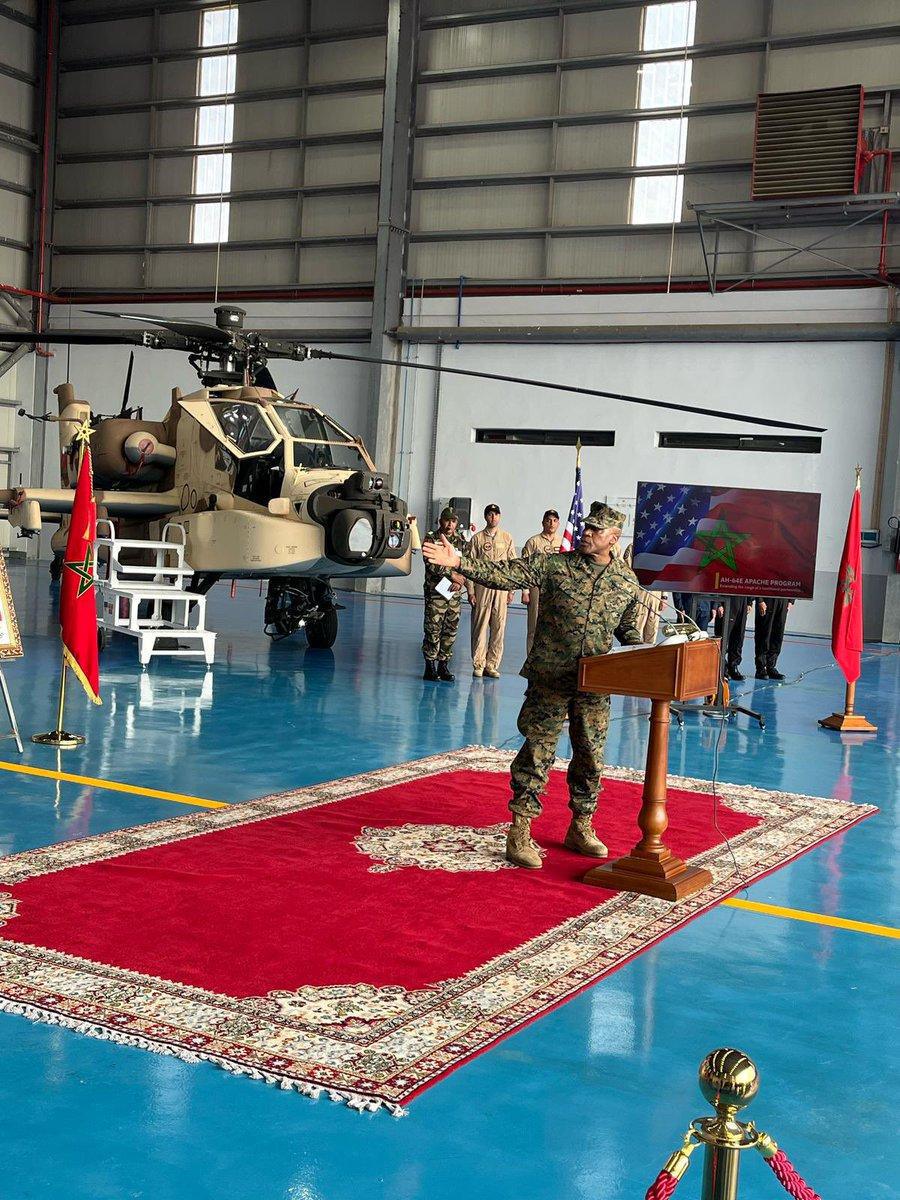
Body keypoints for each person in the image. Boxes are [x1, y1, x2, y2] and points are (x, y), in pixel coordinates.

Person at [423, 501, 643, 869]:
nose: (585, 533)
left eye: (595, 530)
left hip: (594, 685)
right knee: (537, 753)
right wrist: (459, 562)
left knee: (590, 757)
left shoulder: (626, 582)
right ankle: (520, 831)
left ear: (613, 539)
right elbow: (505, 575)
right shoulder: (556, 565)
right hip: (550, 678)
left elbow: (626, 630)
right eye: (585, 527)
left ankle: (581, 826)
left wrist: (654, 648)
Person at [467, 503, 518, 678]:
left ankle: (492, 664)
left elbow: (513, 566)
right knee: (480, 627)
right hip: (483, 587)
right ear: (485, 517)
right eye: (490, 514)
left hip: (502, 588)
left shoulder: (507, 537)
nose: (493, 517)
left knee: (499, 627)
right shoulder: (477, 539)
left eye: (496, 514)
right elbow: (470, 567)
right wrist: (471, 591)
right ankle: (479, 664)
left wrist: (512, 590)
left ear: (500, 516)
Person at [421, 507, 468, 682]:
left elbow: (466, 563)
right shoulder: (432, 538)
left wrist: (459, 579)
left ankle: (444, 665)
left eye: (453, 521)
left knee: (451, 630)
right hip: (436, 593)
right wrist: (451, 574)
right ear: (440, 521)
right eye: (447, 520)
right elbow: (430, 562)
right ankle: (430, 666)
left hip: (454, 594)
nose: (450, 524)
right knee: (433, 629)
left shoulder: (461, 541)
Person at [521, 509, 562, 652]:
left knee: (555, 627)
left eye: (555, 521)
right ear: (543, 522)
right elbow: (525, 569)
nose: (551, 523)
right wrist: (525, 591)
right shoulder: (533, 542)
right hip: (536, 588)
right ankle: (531, 660)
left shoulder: (563, 542)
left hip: (557, 589)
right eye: (548, 520)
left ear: (558, 523)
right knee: (534, 627)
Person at [621, 542, 666, 643]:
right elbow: (628, 570)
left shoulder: (661, 545)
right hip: (640, 591)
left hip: (656, 593)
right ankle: (636, 654)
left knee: (652, 627)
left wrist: (664, 596)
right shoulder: (635, 546)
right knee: (637, 626)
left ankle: (650, 655)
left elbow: (664, 572)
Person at [714, 596, 754, 681]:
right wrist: (718, 604)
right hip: (727, 601)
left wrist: (749, 601)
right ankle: (722, 668)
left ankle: (733, 667)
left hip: (742, 601)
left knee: (738, 638)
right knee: (723, 638)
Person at [754, 597, 794, 680]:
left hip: (783, 599)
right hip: (768, 598)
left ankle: (771, 667)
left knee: (777, 636)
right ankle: (761, 668)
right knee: (763, 634)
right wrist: (760, 600)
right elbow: (757, 584)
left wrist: (791, 601)